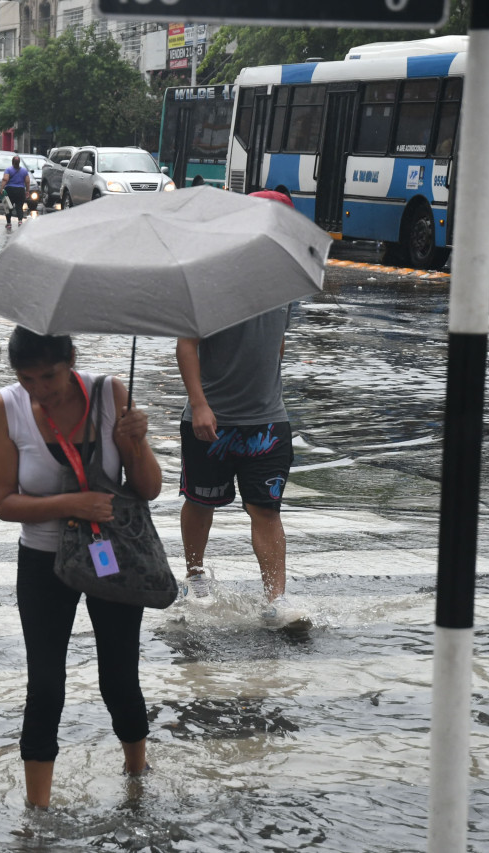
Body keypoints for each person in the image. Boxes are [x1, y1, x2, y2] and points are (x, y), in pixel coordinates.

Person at [0, 327, 162, 808]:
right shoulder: (6, 406)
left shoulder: (110, 394)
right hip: (43, 560)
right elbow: (4, 503)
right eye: (27, 378)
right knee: (45, 683)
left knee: (119, 676)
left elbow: (148, 489)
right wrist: (74, 503)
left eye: (50, 376)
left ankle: (136, 776)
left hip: (112, 557)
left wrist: (137, 443)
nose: (40, 389)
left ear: (72, 361)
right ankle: (37, 810)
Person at [175, 189, 306, 629]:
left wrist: (268, 387)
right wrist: (199, 404)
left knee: (267, 510)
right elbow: (187, 343)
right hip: (210, 418)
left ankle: (276, 600)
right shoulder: (211, 273)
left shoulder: (287, 280)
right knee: (200, 501)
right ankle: (195, 578)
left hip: (267, 419)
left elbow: (279, 341)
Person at [0, 154, 31, 229]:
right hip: (20, 191)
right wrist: (27, 191)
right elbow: (27, 181)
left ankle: (9, 223)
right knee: (19, 207)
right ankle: (20, 221)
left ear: (12, 162)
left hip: (10, 190)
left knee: (8, 207)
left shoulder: (8, 170)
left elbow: (5, 179)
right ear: (19, 162)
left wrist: (1, 188)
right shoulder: (24, 171)